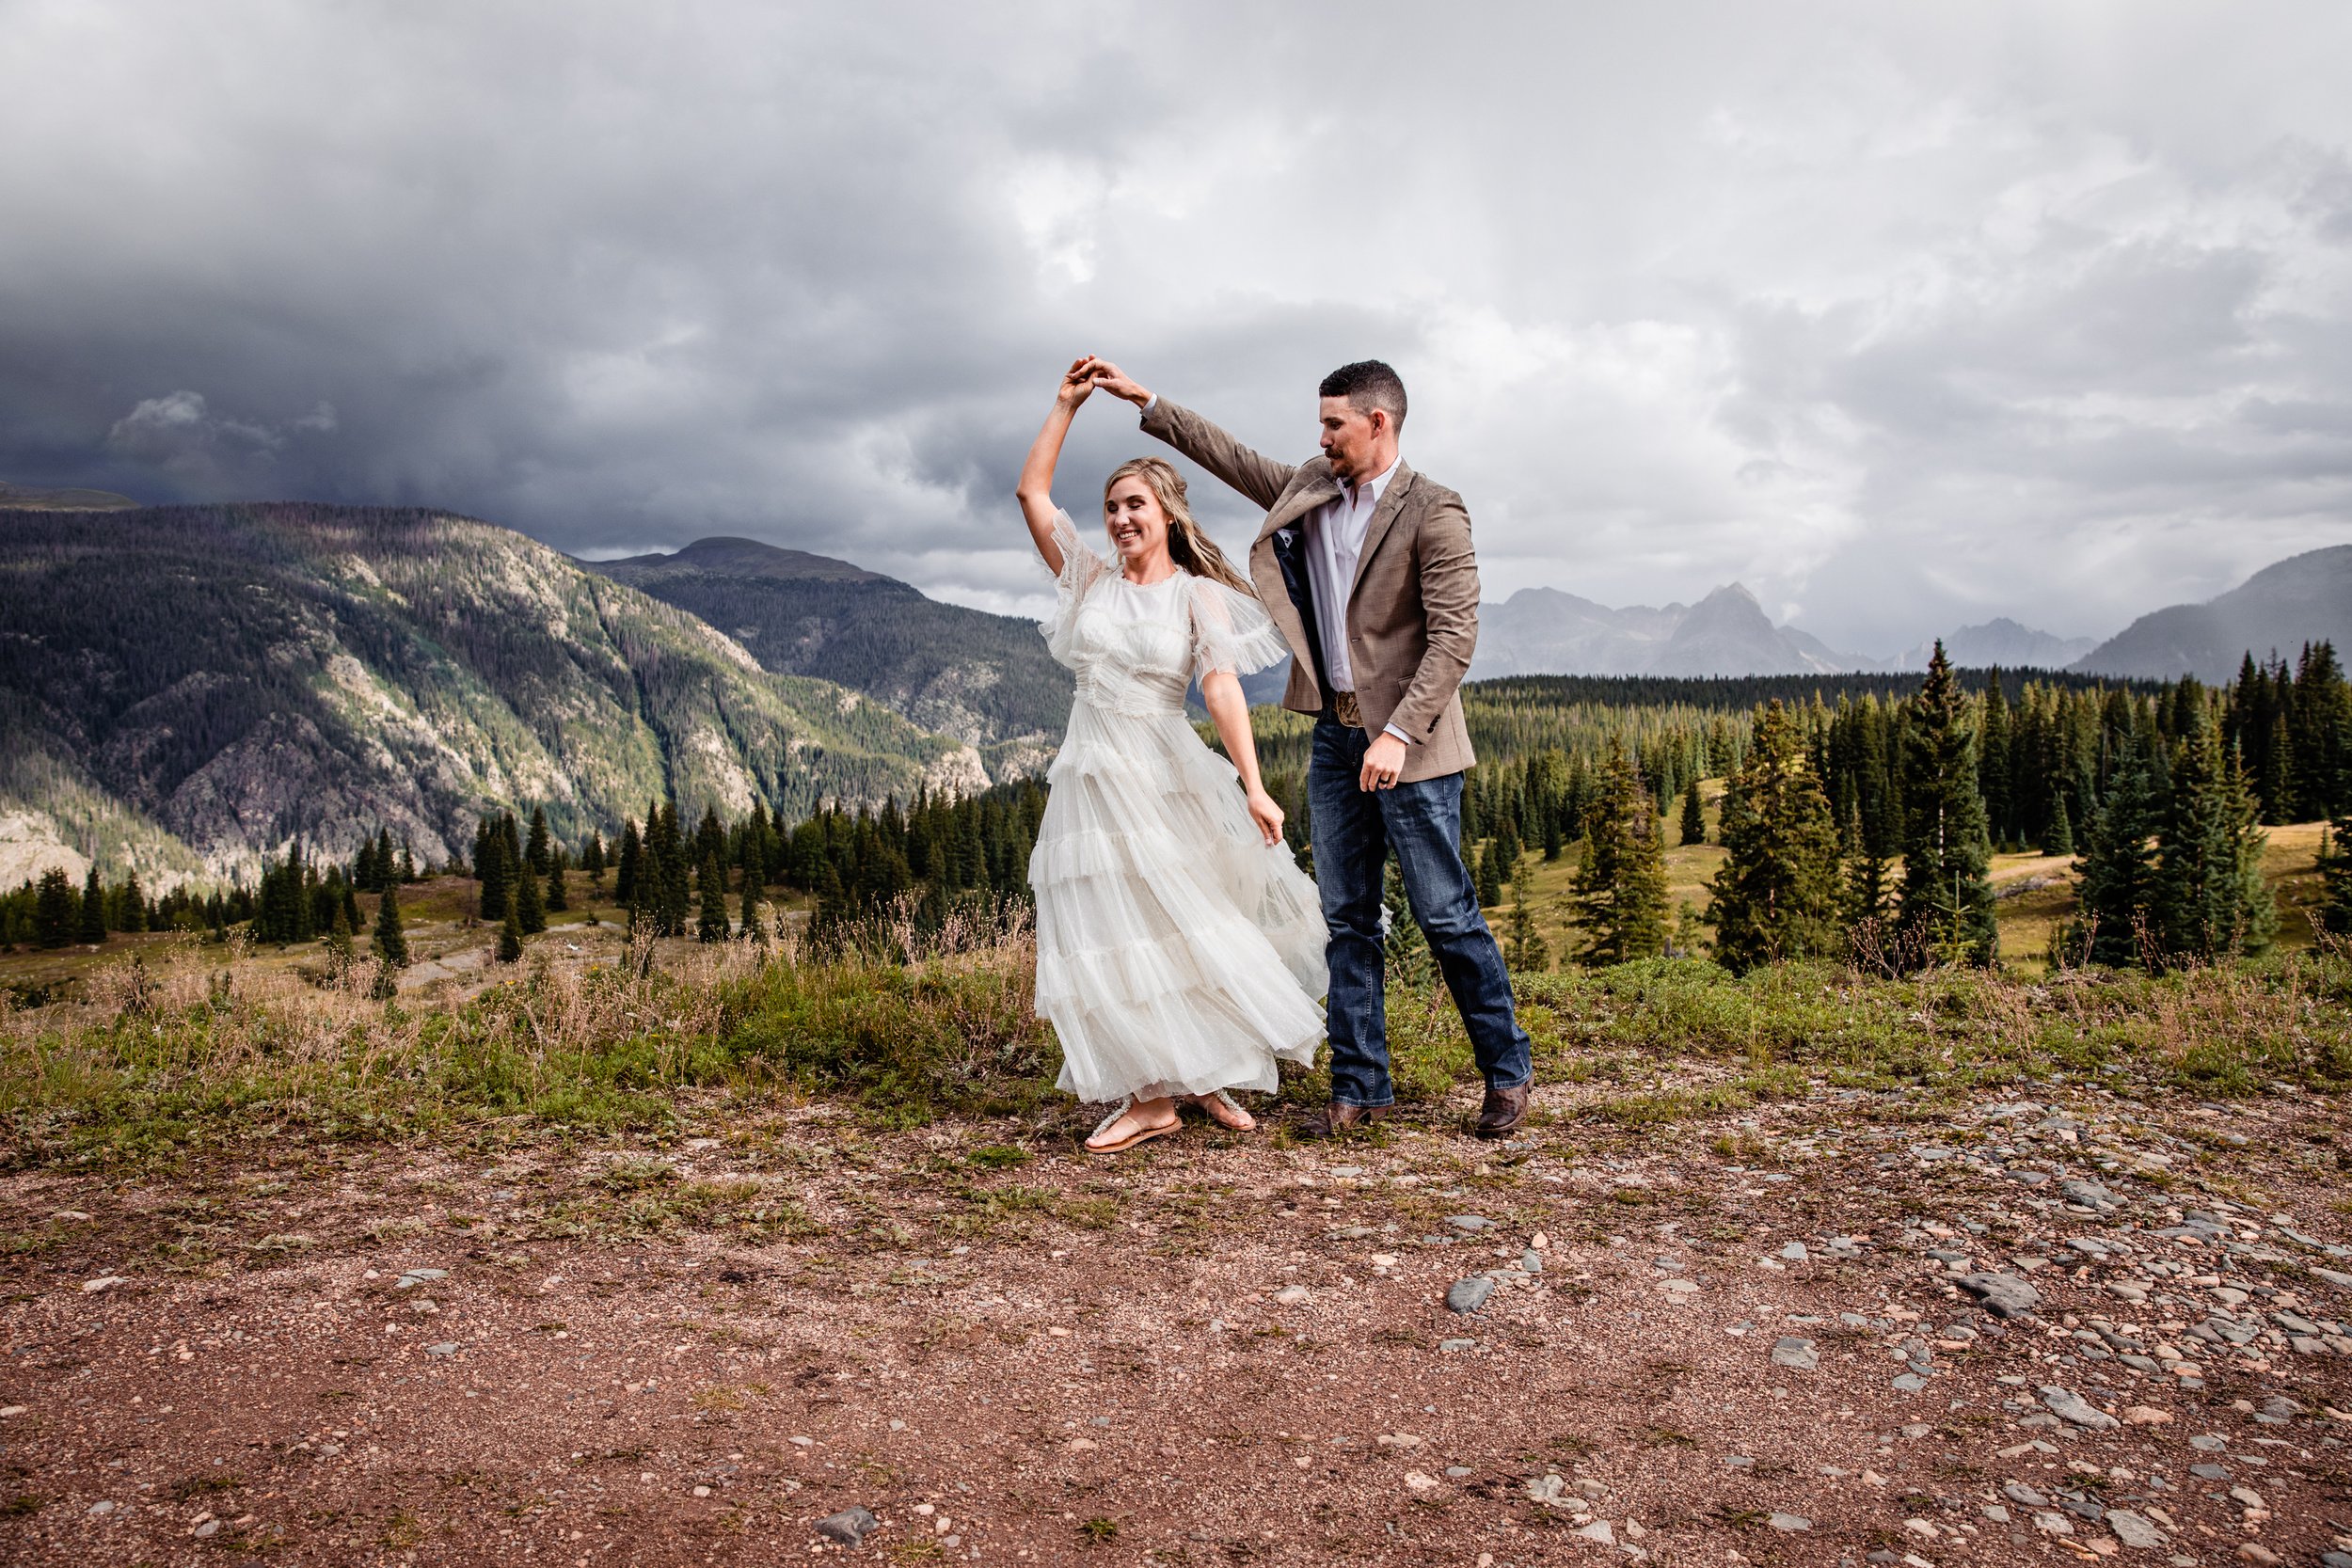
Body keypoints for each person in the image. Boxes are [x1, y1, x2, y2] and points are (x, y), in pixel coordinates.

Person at [1082, 355, 1535, 1140]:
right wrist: (1147, 400)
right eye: (1320, 422)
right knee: (1346, 917)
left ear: (1377, 422)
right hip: (1334, 735)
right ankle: (1360, 1088)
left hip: (1412, 746)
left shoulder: (1435, 510)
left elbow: (1456, 639)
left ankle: (1506, 1070)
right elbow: (1229, 457)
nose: (1320, 436)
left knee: (1444, 912)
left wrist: (1395, 734)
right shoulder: (1310, 487)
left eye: (1333, 423)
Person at [1015, 357, 1327, 1154]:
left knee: (1183, 918)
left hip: (1162, 771)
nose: (1120, 518)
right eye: (1112, 507)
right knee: (1110, 926)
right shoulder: (1087, 579)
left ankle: (1191, 1076)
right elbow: (1033, 497)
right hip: (1092, 776)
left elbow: (1220, 689)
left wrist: (1254, 786)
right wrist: (1066, 407)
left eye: (1135, 505)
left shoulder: (1197, 595)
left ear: (1167, 512)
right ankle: (1157, 1088)